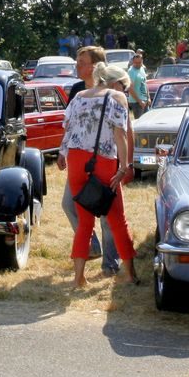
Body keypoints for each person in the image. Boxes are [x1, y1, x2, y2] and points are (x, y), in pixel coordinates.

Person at [58, 62, 138, 288]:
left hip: (76, 160)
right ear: (115, 82)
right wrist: (124, 166)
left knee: (84, 222)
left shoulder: (80, 96)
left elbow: (69, 128)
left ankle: (78, 278)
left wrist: (63, 153)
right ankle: (130, 274)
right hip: (103, 161)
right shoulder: (116, 97)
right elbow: (120, 134)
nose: (125, 91)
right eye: (124, 86)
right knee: (117, 220)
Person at [64, 46, 121, 276]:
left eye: (81, 62)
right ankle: (92, 245)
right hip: (80, 162)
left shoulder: (112, 88)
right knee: (70, 204)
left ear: (95, 66)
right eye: (77, 62)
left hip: (106, 159)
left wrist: (125, 163)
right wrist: (62, 151)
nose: (77, 67)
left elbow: (123, 127)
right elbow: (70, 124)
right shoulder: (77, 90)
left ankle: (110, 262)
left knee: (107, 214)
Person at [127, 50, 148, 118]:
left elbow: (144, 83)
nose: (138, 64)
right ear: (133, 62)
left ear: (142, 61)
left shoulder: (142, 68)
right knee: (140, 123)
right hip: (136, 102)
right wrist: (139, 101)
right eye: (136, 63)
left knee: (147, 120)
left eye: (139, 63)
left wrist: (148, 98)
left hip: (144, 100)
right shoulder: (131, 71)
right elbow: (130, 88)